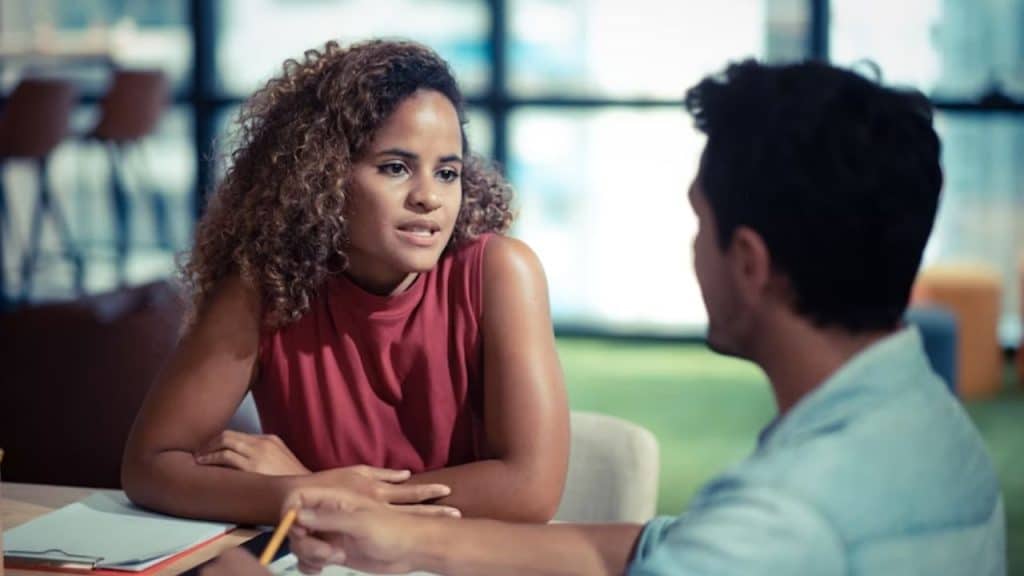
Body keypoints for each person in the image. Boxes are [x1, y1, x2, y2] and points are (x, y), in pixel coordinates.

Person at [203, 59, 1006, 575]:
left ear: (749, 263)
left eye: (699, 222)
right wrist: (400, 531)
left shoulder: (779, 521)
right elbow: (651, 546)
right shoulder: (929, 426)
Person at [121, 39, 569, 526]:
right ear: (323, 175)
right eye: (395, 168)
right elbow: (150, 465)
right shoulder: (265, 288)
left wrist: (323, 493)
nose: (428, 197)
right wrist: (302, 493)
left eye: (446, 173)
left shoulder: (500, 274)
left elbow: (530, 491)